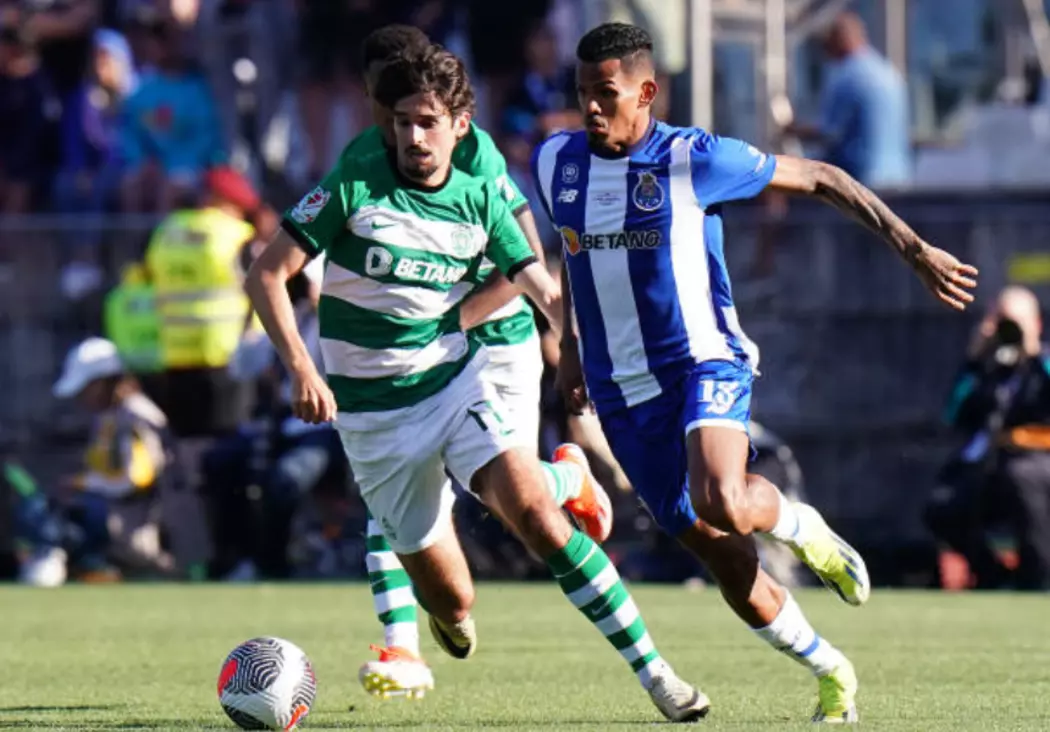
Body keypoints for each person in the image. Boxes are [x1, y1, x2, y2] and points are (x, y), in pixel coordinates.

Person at [245, 44, 710, 722]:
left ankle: (658, 675)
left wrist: (577, 347)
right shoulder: (356, 180)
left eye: (427, 122)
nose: (413, 137)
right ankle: (474, 576)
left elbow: (538, 282)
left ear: (459, 125)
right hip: (374, 418)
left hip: (455, 380)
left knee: (537, 520)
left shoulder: (480, 187)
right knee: (453, 604)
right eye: (402, 121)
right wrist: (301, 367)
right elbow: (266, 273)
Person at [536, 23, 979, 723]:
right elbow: (572, 253)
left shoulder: (693, 158)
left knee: (724, 498)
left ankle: (801, 525)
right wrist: (568, 349)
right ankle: (830, 667)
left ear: (645, 93)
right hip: (621, 389)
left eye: (606, 93)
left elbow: (823, 177)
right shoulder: (557, 161)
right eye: (583, 90)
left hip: (702, 361)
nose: (590, 106)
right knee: (727, 560)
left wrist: (914, 247)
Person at [313, 25, 614, 699]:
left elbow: (523, 262)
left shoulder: (474, 155)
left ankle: (569, 479)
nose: (395, 118)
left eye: (407, 101)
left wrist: (459, 322)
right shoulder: (369, 155)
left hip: (495, 333)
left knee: (507, 499)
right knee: (391, 485)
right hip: (428, 340)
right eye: (384, 101)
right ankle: (403, 643)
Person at [929, 285, 1050, 590]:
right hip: (989, 466)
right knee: (942, 506)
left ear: (1036, 324)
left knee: (1023, 479)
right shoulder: (986, 369)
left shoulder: (1042, 364)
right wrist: (975, 358)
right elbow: (952, 414)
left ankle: (1039, 577)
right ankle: (994, 575)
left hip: (1036, 462)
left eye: (1014, 323)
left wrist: (1033, 353)